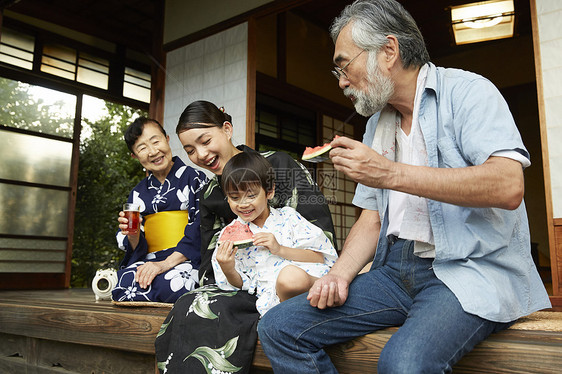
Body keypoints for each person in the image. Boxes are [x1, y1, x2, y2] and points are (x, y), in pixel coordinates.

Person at [257, 1, 552, 373]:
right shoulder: (377, 123)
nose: (341, 81)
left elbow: (509, 185)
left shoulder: (469, 92)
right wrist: (339, 274)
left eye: (344, 64)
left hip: (467, 268)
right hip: (395, 270)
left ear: (389, 51)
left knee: (403, 364)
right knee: (279, 326)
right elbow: (372, 219)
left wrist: (390, 173)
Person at [154, 100, 337, 373]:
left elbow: (319, 230)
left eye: (205, 141)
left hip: (296, 274)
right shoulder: (208, 194)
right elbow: (209, 256)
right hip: (241, 279)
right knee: (190, 303)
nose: (201, 154)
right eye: (190, 150)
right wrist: (227, 268)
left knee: (216, 310)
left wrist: (279, 250)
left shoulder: (278, 164)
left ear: (227, 129)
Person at [214, 152, 337, 315]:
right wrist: (228, 268)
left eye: (251, 195)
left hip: (310, 282)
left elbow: (319, 257)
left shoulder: (289, 217)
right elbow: (242, 284)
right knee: (288, 279)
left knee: (290, 276)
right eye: (235, 197)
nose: (243, 204)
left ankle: (329, 287)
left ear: (269, 192)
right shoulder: (228, 235)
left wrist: (280, 249)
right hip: (276, 298)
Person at [111, 117, 208, 303]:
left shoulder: (195, 178)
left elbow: (202, 227)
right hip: (151, 259)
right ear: (134, 156)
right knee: (123, 283)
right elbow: (134, 243)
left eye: (156, 141)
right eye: (142, 148)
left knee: (176, 283)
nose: (153, 151)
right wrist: (132, 233)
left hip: (185, 258)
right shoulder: (138, 193)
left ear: (167, 139)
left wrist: (165, 264)